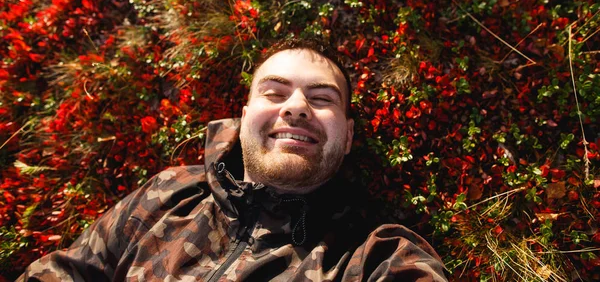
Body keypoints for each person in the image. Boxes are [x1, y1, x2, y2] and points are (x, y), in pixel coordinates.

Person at [19, 38, 448, 281]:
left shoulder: (376, 257)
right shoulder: (165, 194)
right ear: (243, 120)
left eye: (321, 99)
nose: (296, 107)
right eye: (274, 93)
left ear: (349, 135)